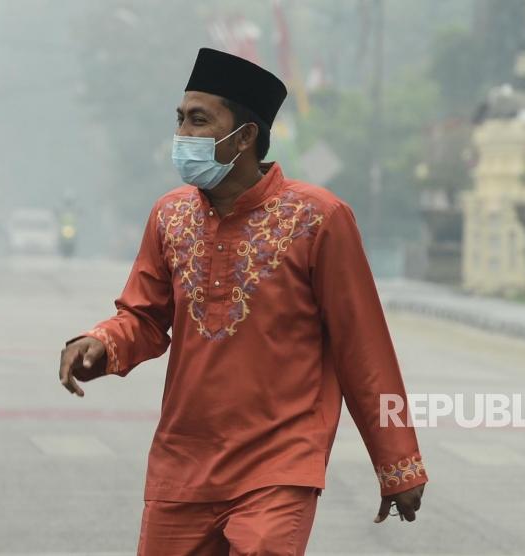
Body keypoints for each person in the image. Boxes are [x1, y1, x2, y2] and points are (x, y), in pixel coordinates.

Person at [58, 47, 427, 555]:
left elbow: (364, 348)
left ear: (245, 136)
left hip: (279, 464)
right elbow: (143, 317)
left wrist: (398, 462)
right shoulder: (168, 216)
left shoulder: (319, 218)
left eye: (200, 120)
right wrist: (99, 342)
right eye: (181, 119)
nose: (183, 134)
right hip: (182, 462)